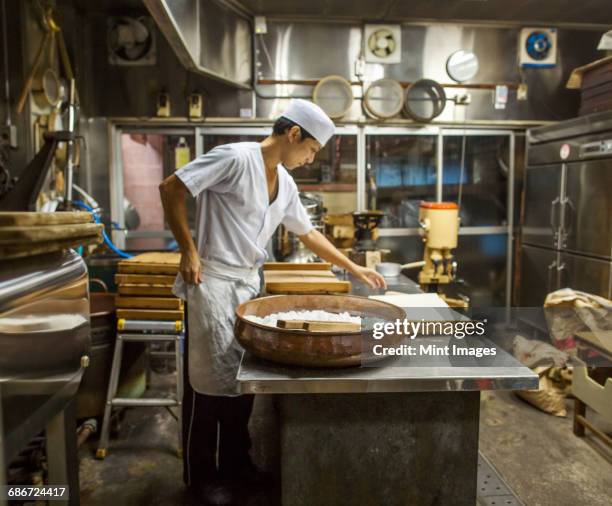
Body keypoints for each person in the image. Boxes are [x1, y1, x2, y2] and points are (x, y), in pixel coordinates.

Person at [159, 99, 386, 505]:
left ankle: (236, 466)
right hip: (212, 281)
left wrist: (354, 268)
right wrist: (188, 250)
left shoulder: (286, 182)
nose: (310, 159)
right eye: (311, 150)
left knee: (241, 382)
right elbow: (172, 187)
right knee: (206, 386)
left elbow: (308, 233)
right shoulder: (235, 158)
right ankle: (200, 479)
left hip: (247, 286)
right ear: (293, 134)